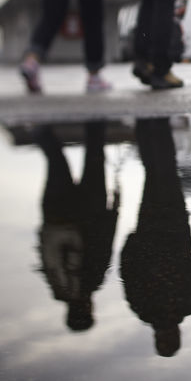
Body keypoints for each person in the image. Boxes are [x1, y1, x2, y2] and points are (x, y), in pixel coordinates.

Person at [120, 117, 191, 357]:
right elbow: (127, 270)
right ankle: (146, 126)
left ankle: (157, 122)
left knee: (164, 171)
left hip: (172, 230)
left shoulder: (186, 305)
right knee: (154, 174)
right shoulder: (142, 308)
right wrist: (132, 242)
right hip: (150, 229)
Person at [34, 122, 119, 332]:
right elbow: (44, 251)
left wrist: (114, 211)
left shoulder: (92, 281)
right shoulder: (57, 286)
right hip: (56, 215)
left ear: (89, 310)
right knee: (56, 161)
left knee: (94, 157)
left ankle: (96, 118)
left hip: (91, 213)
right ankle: (39, 125)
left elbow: (104, 243)